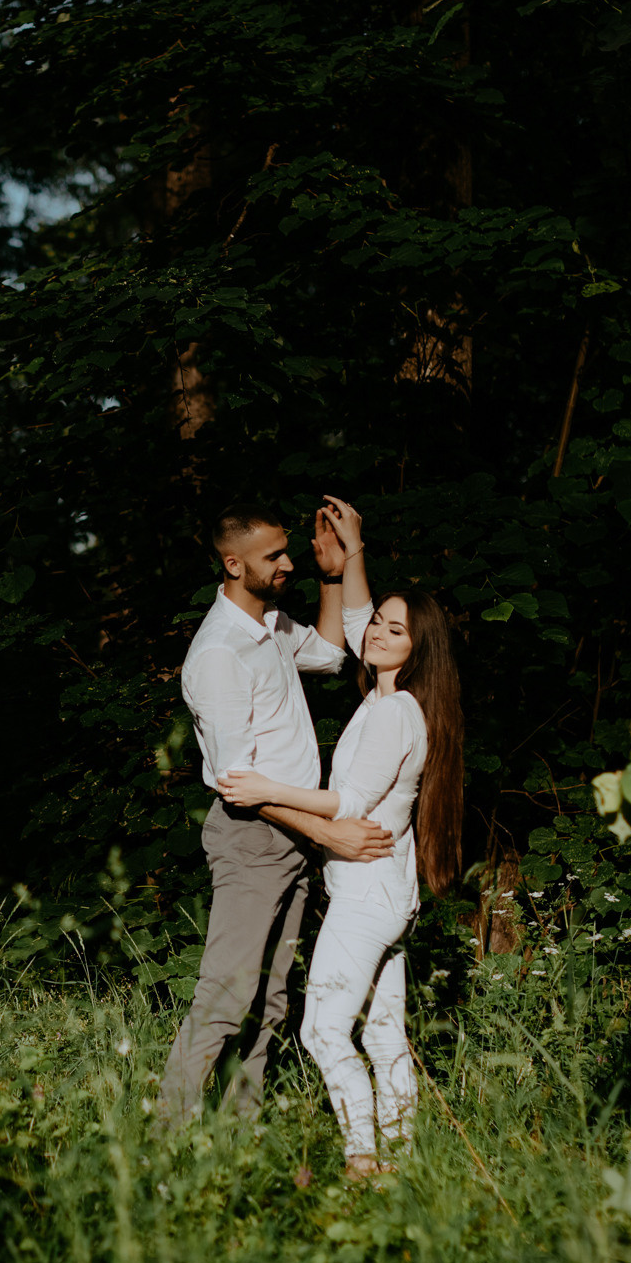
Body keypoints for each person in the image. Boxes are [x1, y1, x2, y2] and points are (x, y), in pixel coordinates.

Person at [218, 496, 463, 1180]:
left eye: (396, 630)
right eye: (381, 623)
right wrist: (351, 556)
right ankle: (405, 1161)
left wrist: (268, 788)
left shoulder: (394, 715)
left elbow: (349, 801)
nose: (378, 634)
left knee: (324, 1030)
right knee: (382, 1033)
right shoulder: (392, 697)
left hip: (367, 898)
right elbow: (356, 625)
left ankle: (363, 1159)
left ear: (419, 649)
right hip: (388, 892)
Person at [159, 501, 395, 1126]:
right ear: (233, 564)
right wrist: (327, 831)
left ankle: (242, 1132)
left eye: (288, 552)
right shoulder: (220, 653)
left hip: (291, 836)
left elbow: (329, 653)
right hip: (253, 836)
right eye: (275, 557)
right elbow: (238, 784)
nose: (287, 562)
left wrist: (333, 575)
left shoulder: (268, 627)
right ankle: (162, 1137)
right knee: (226, 995)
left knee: (270, 999)